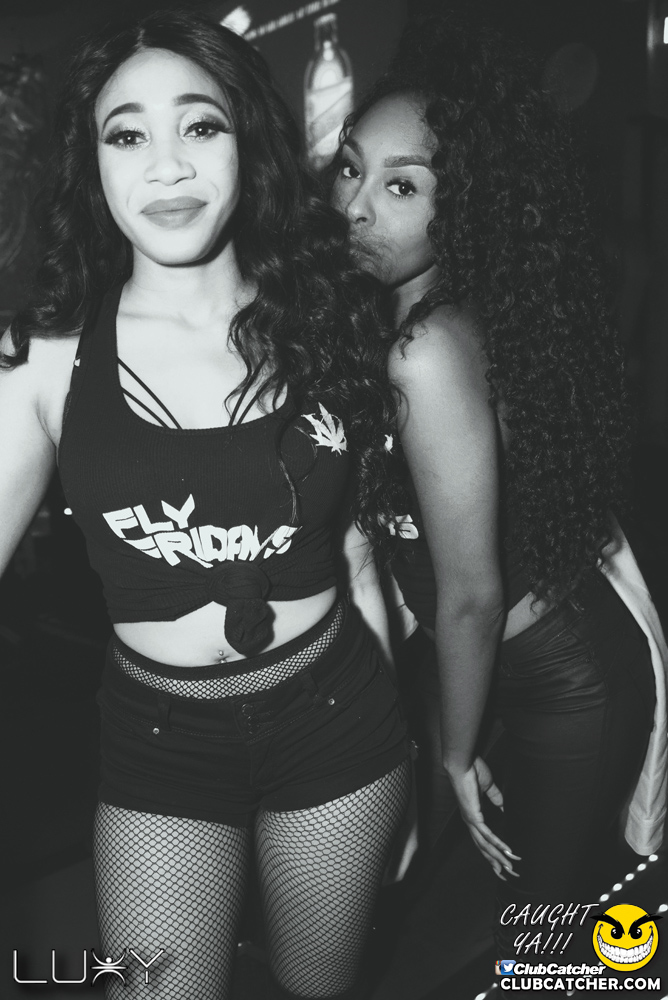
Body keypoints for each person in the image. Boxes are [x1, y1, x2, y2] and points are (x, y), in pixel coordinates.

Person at [0, 10, 412, 999]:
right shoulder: (45, 359)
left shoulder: (327, 319)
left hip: (337, 719)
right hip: (158, 745)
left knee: (317, 987)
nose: (168, 164)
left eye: (200, 124)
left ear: (245, 140)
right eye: (127, 134)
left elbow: (358, 557)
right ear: (92, 164)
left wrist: (403, 744)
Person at [332, 14, 660, 955]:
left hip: (562, 680)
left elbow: (470, 593)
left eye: (401, 185)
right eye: (351, 169)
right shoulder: (421, 317)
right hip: (508, 660)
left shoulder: (426, 347)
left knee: (544, 929)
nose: (356, 205)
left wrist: (454, 754)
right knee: (530, 909)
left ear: (465, 206)